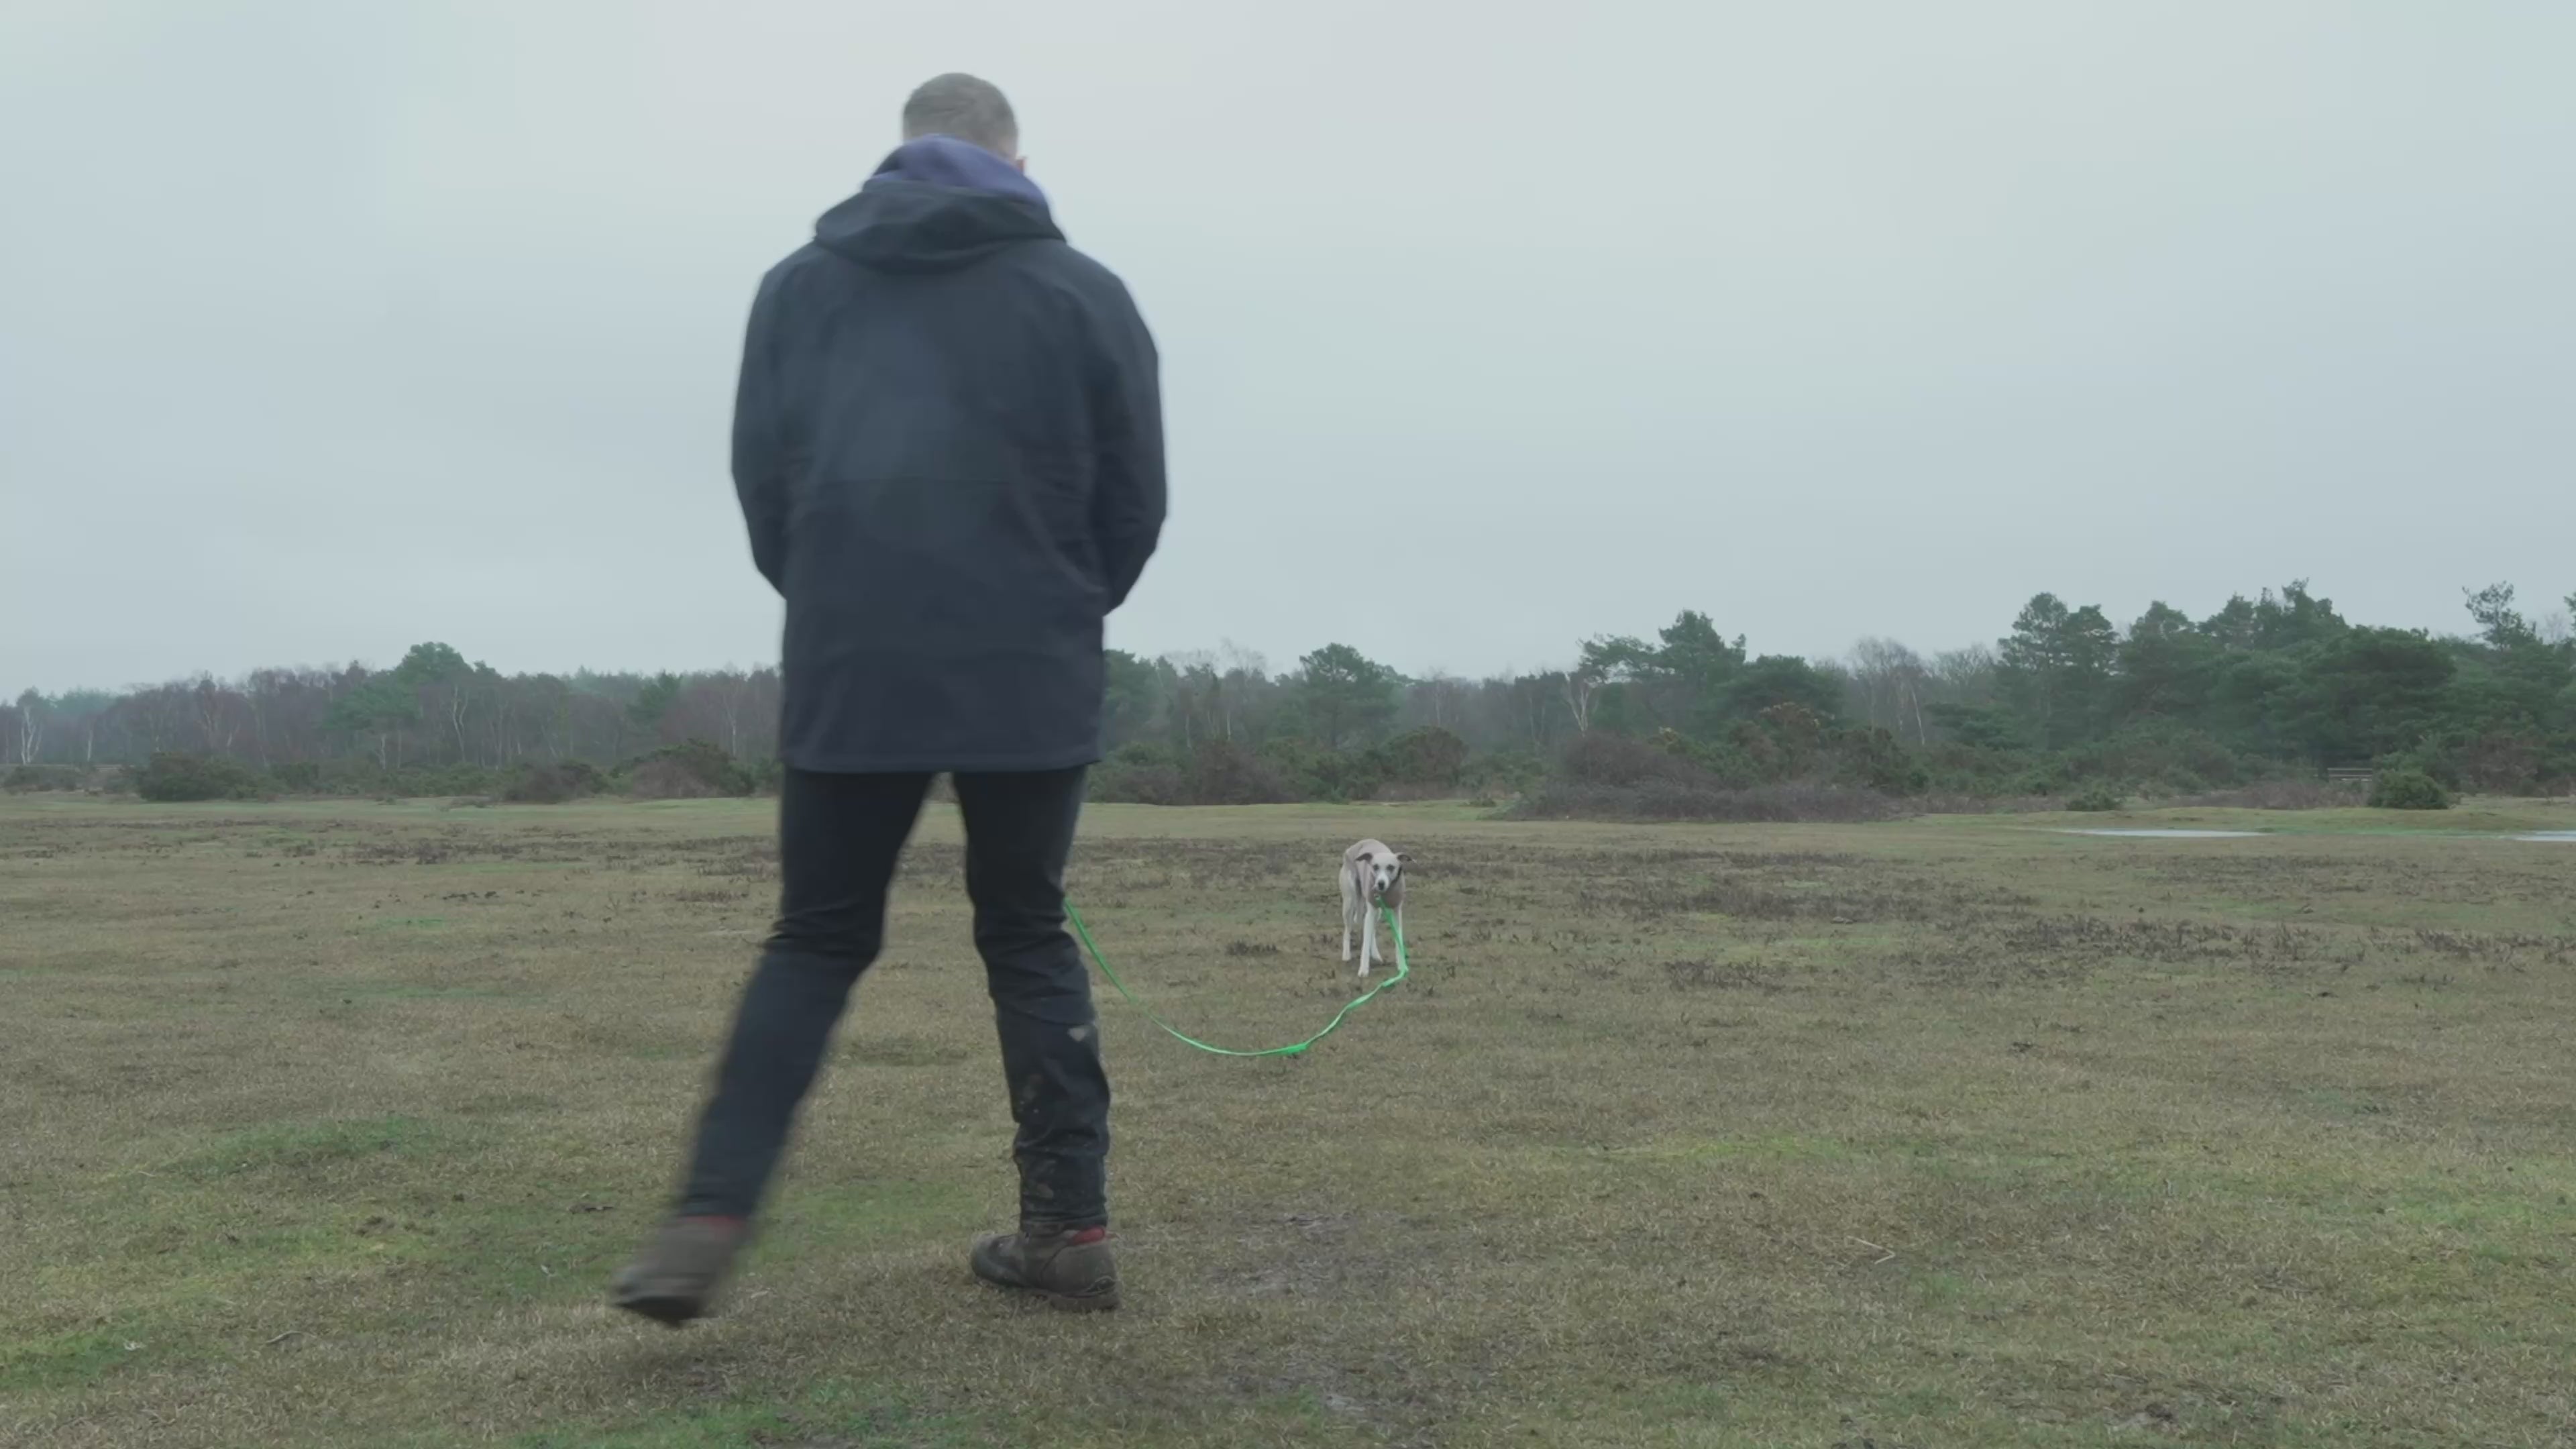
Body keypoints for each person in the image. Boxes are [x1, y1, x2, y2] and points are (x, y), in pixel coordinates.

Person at [610, 73, 1164, 1322]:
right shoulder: (1086, 294)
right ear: (1016, 160)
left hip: (855, 659)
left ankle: (709, 1216)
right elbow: (1136, 502)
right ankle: (1069, 1227)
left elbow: (764, 487)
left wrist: (834, 601)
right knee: (1026, 931)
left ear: (903, 152)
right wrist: (1062, 611)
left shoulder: (798, 288)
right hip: (1030, 664)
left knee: (816, 937)